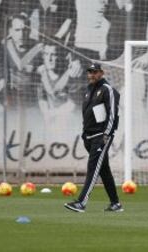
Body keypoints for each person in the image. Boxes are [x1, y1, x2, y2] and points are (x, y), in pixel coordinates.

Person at [64, 63, 122, 213]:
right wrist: (85, 133)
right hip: (89, 136)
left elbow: (112, 115)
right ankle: (115, 204)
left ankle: (81, 202)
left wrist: (106, 134)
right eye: (89, 72)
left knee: (93, 167)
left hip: (101, 136)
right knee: (103, 169)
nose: (91, 75)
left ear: (101, 73)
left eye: (95, 72)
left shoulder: (108, 90)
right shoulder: (89, 90)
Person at [6, 14, 43, 108]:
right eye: (17, 30)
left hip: (32, 98)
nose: (21, 34)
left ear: (29, 30)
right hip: (12, 97)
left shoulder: (38, 49)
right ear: (10, 31)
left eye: (24, 30)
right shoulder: (5, 47)